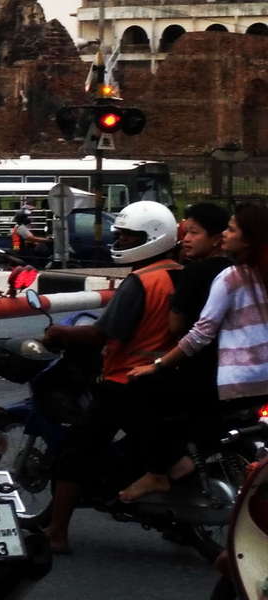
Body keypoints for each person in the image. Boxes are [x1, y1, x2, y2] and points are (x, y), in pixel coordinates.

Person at [41, 200, 180, 554]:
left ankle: (56, 532)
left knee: (76, 451)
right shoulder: (180, 272)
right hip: (169, 376)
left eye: (128, 237)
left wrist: (61, 334)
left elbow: (102, 333)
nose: (120, 243)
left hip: (126, 381)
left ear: (152, 238)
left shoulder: (141, 281)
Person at [119, 201, 232, 501]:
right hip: (237, 365)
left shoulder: (195, 273)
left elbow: (177, 327)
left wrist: (157, 364)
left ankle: (159, 471)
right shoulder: (240, 271)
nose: (186, 239)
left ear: (217, 237)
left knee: (135, 391)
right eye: (185, 232)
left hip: (201, 367)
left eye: (194, 233)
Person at [128, 201, 268, 417]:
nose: (224, 234)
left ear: (248, 240)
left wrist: (158, 365)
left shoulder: (231, 277)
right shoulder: (259, 275)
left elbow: (200, 333)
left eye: (231, 230)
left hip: (238, 380)